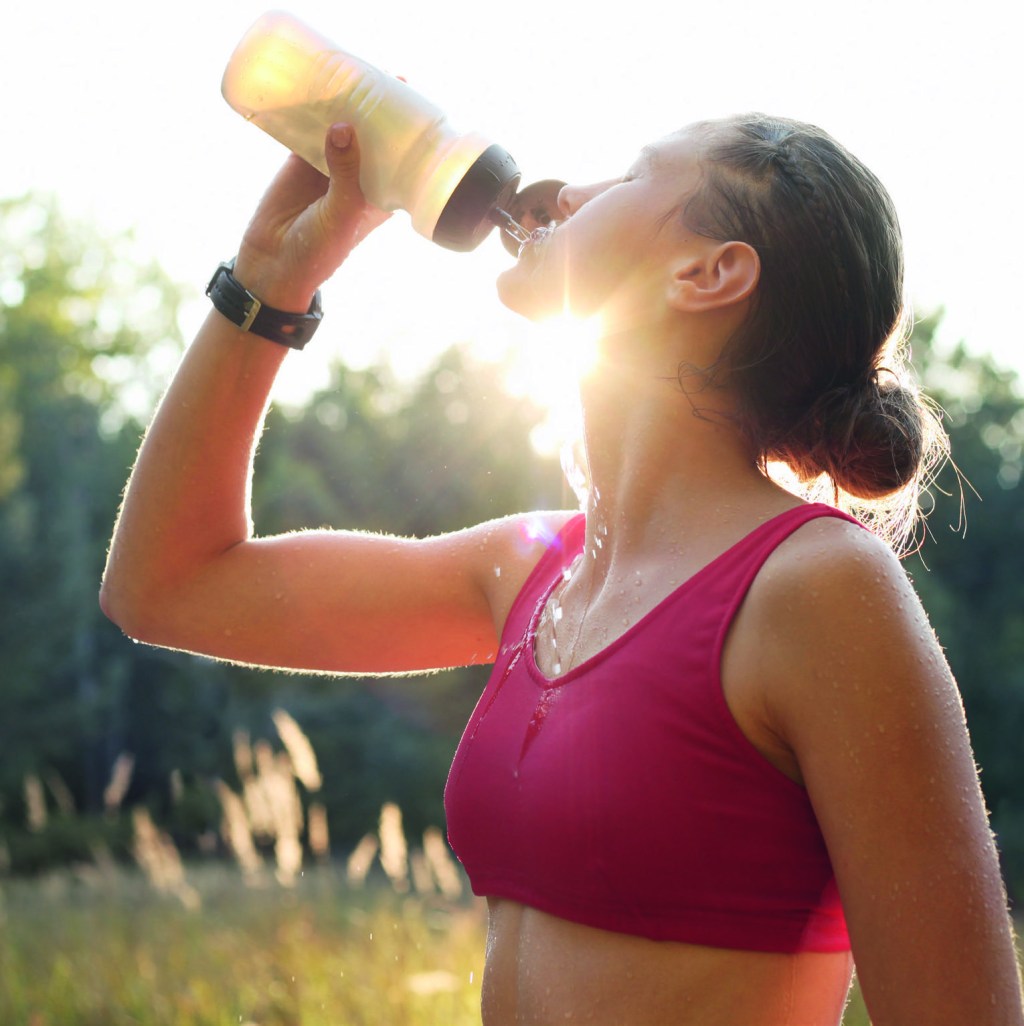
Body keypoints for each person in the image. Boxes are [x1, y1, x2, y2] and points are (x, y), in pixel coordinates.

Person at [100, 114, 1024, 1026]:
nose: (563, 193)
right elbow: (167, 586)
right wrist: (270, 279)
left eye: (631, 175)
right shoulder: (531, 570)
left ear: (708, 274)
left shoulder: (815, 589)